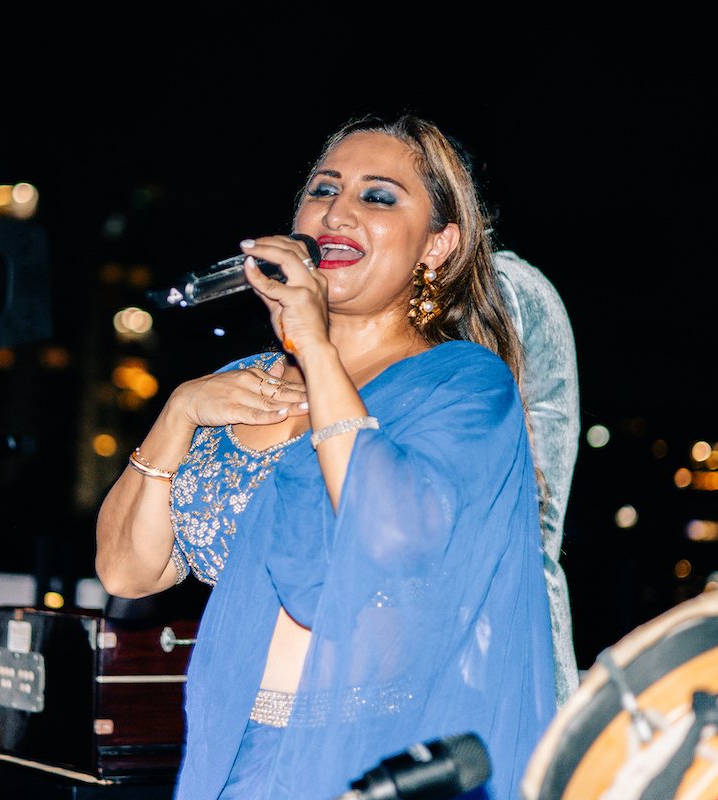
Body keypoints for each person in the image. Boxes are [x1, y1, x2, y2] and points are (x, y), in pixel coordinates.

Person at [95, 114, 558, 799]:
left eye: (378, 196)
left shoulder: (462, 382)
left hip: (375, 760)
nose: (338, 210)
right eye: (323, 190)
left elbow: (392, 536)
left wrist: (316, 348)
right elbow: (128, 571)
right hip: (239, 757)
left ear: (440, 245)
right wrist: (179, 412)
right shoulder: (243, 384)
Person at [492, 250, 581, 708]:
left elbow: (530, 537)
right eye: (323, 189)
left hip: (497, 655)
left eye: (379, 198)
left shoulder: (503, 286)